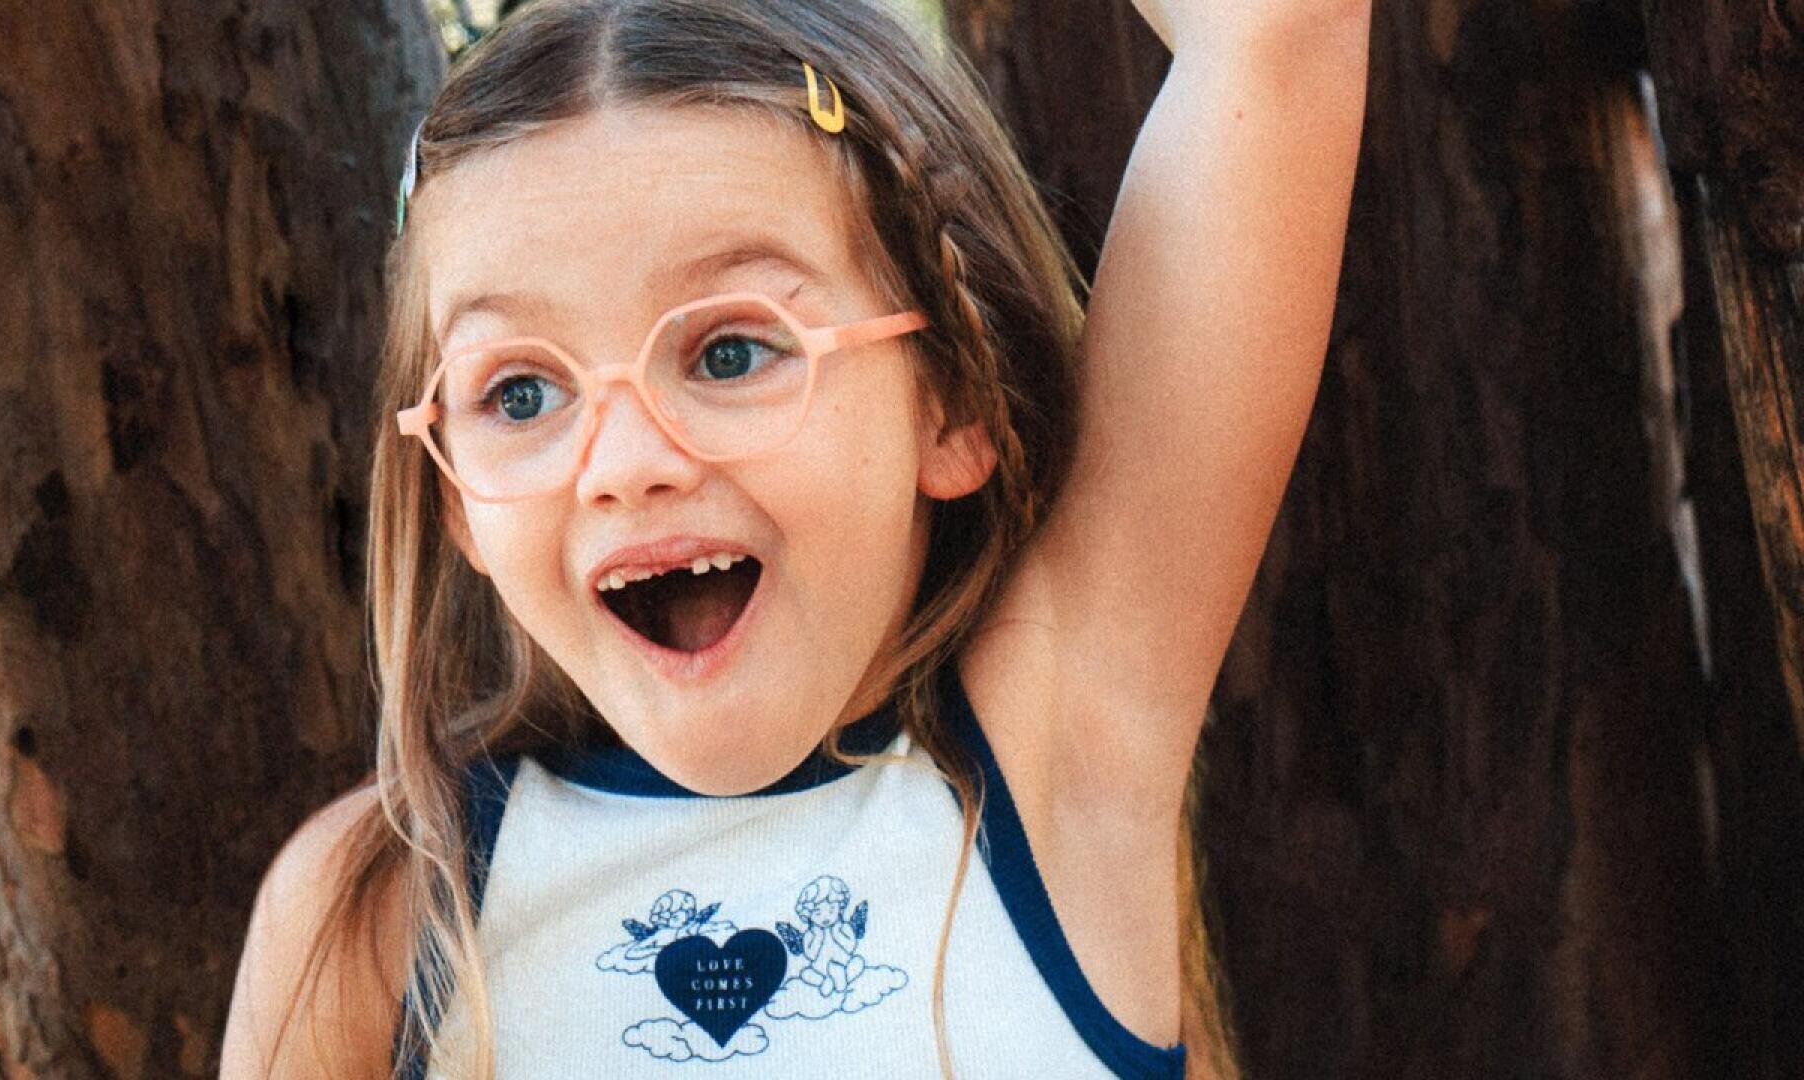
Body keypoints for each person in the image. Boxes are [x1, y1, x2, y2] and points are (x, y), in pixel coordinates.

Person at [217, 0, 1370, 1076]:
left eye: (731, 352)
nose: (625, 465)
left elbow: (1278, 32)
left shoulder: (1053, 765)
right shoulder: (380, 906)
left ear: (953, 401)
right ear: (455, 494)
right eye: (519, 394)